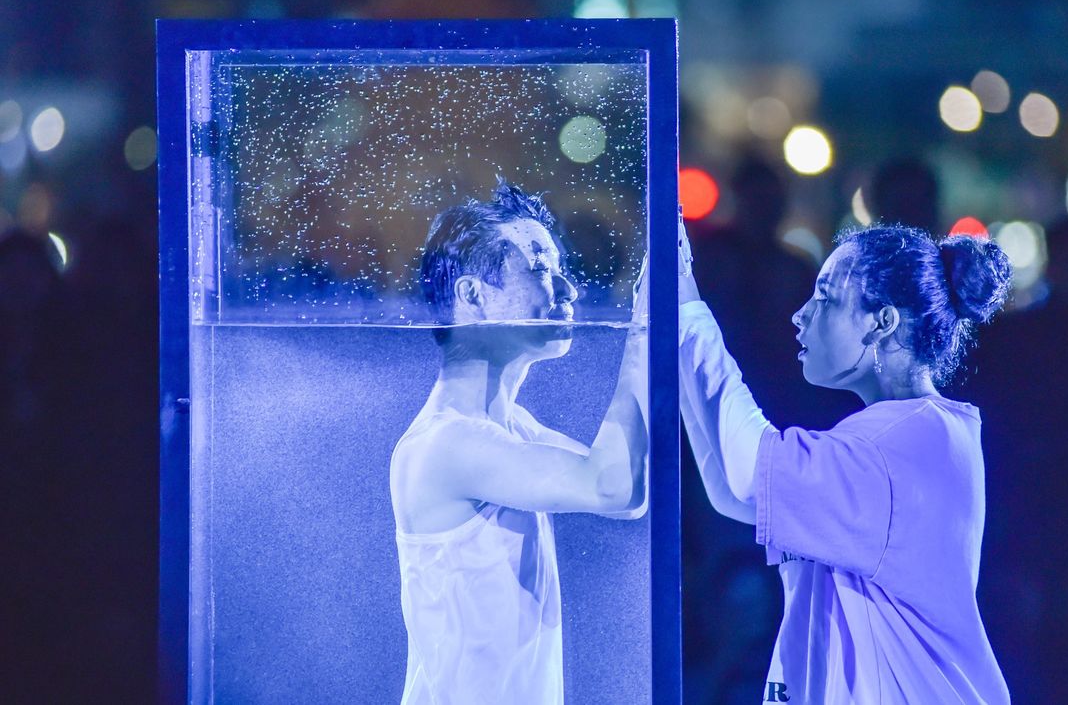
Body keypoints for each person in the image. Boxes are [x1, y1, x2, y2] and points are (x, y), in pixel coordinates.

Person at [678, 219, 1013, 703]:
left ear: (882, 322)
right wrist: (679, 323)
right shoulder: (914, 433)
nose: (800, 315)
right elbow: (736, 493)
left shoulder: (900, 446)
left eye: (826, 298)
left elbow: (750, 471)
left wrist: (685, 307)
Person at [389, 180, 648, 705]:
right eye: (540, 269)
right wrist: (647, 328)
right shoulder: (446, 443)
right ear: (472, 295)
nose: (569, 290)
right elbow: (612, 487)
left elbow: (627, 495)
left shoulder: (511, 427)